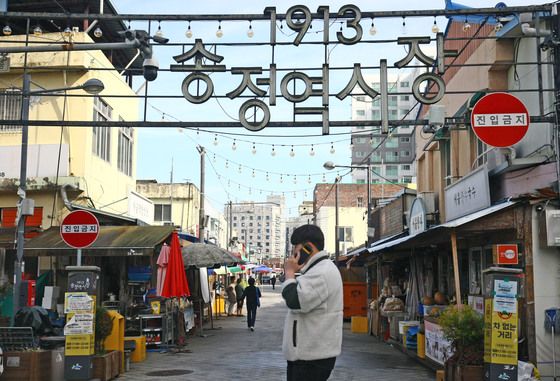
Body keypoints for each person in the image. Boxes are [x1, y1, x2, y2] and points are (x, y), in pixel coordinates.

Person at [281, 224, 343, 381]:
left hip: (311, 358)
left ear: (308, 248)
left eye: (296, 247)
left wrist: (289, 273)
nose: (294, 252)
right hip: (309, 355)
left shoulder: (321, 272)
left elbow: (295, 300)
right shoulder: (318, 269)